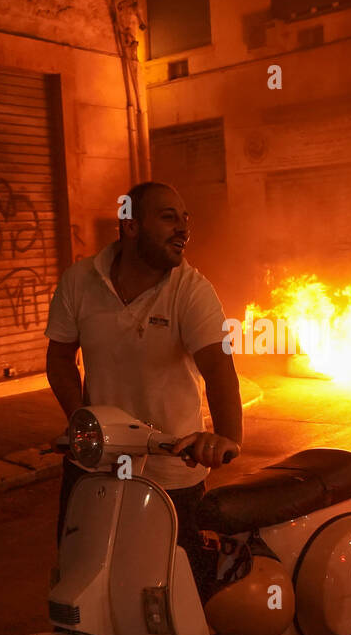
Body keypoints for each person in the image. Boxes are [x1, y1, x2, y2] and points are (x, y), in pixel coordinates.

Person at [44, 181, 242, 586]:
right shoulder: (80, 281)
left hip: (172, 472)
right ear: (130, 226)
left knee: (176, 596)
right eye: (169, 217)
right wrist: (81, 420)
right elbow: (60, 359)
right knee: (81, 581)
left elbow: (220, 371)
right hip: (94, 467)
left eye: (186, 219)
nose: (183, 228)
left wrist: (226, 438)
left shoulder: (192, 291)